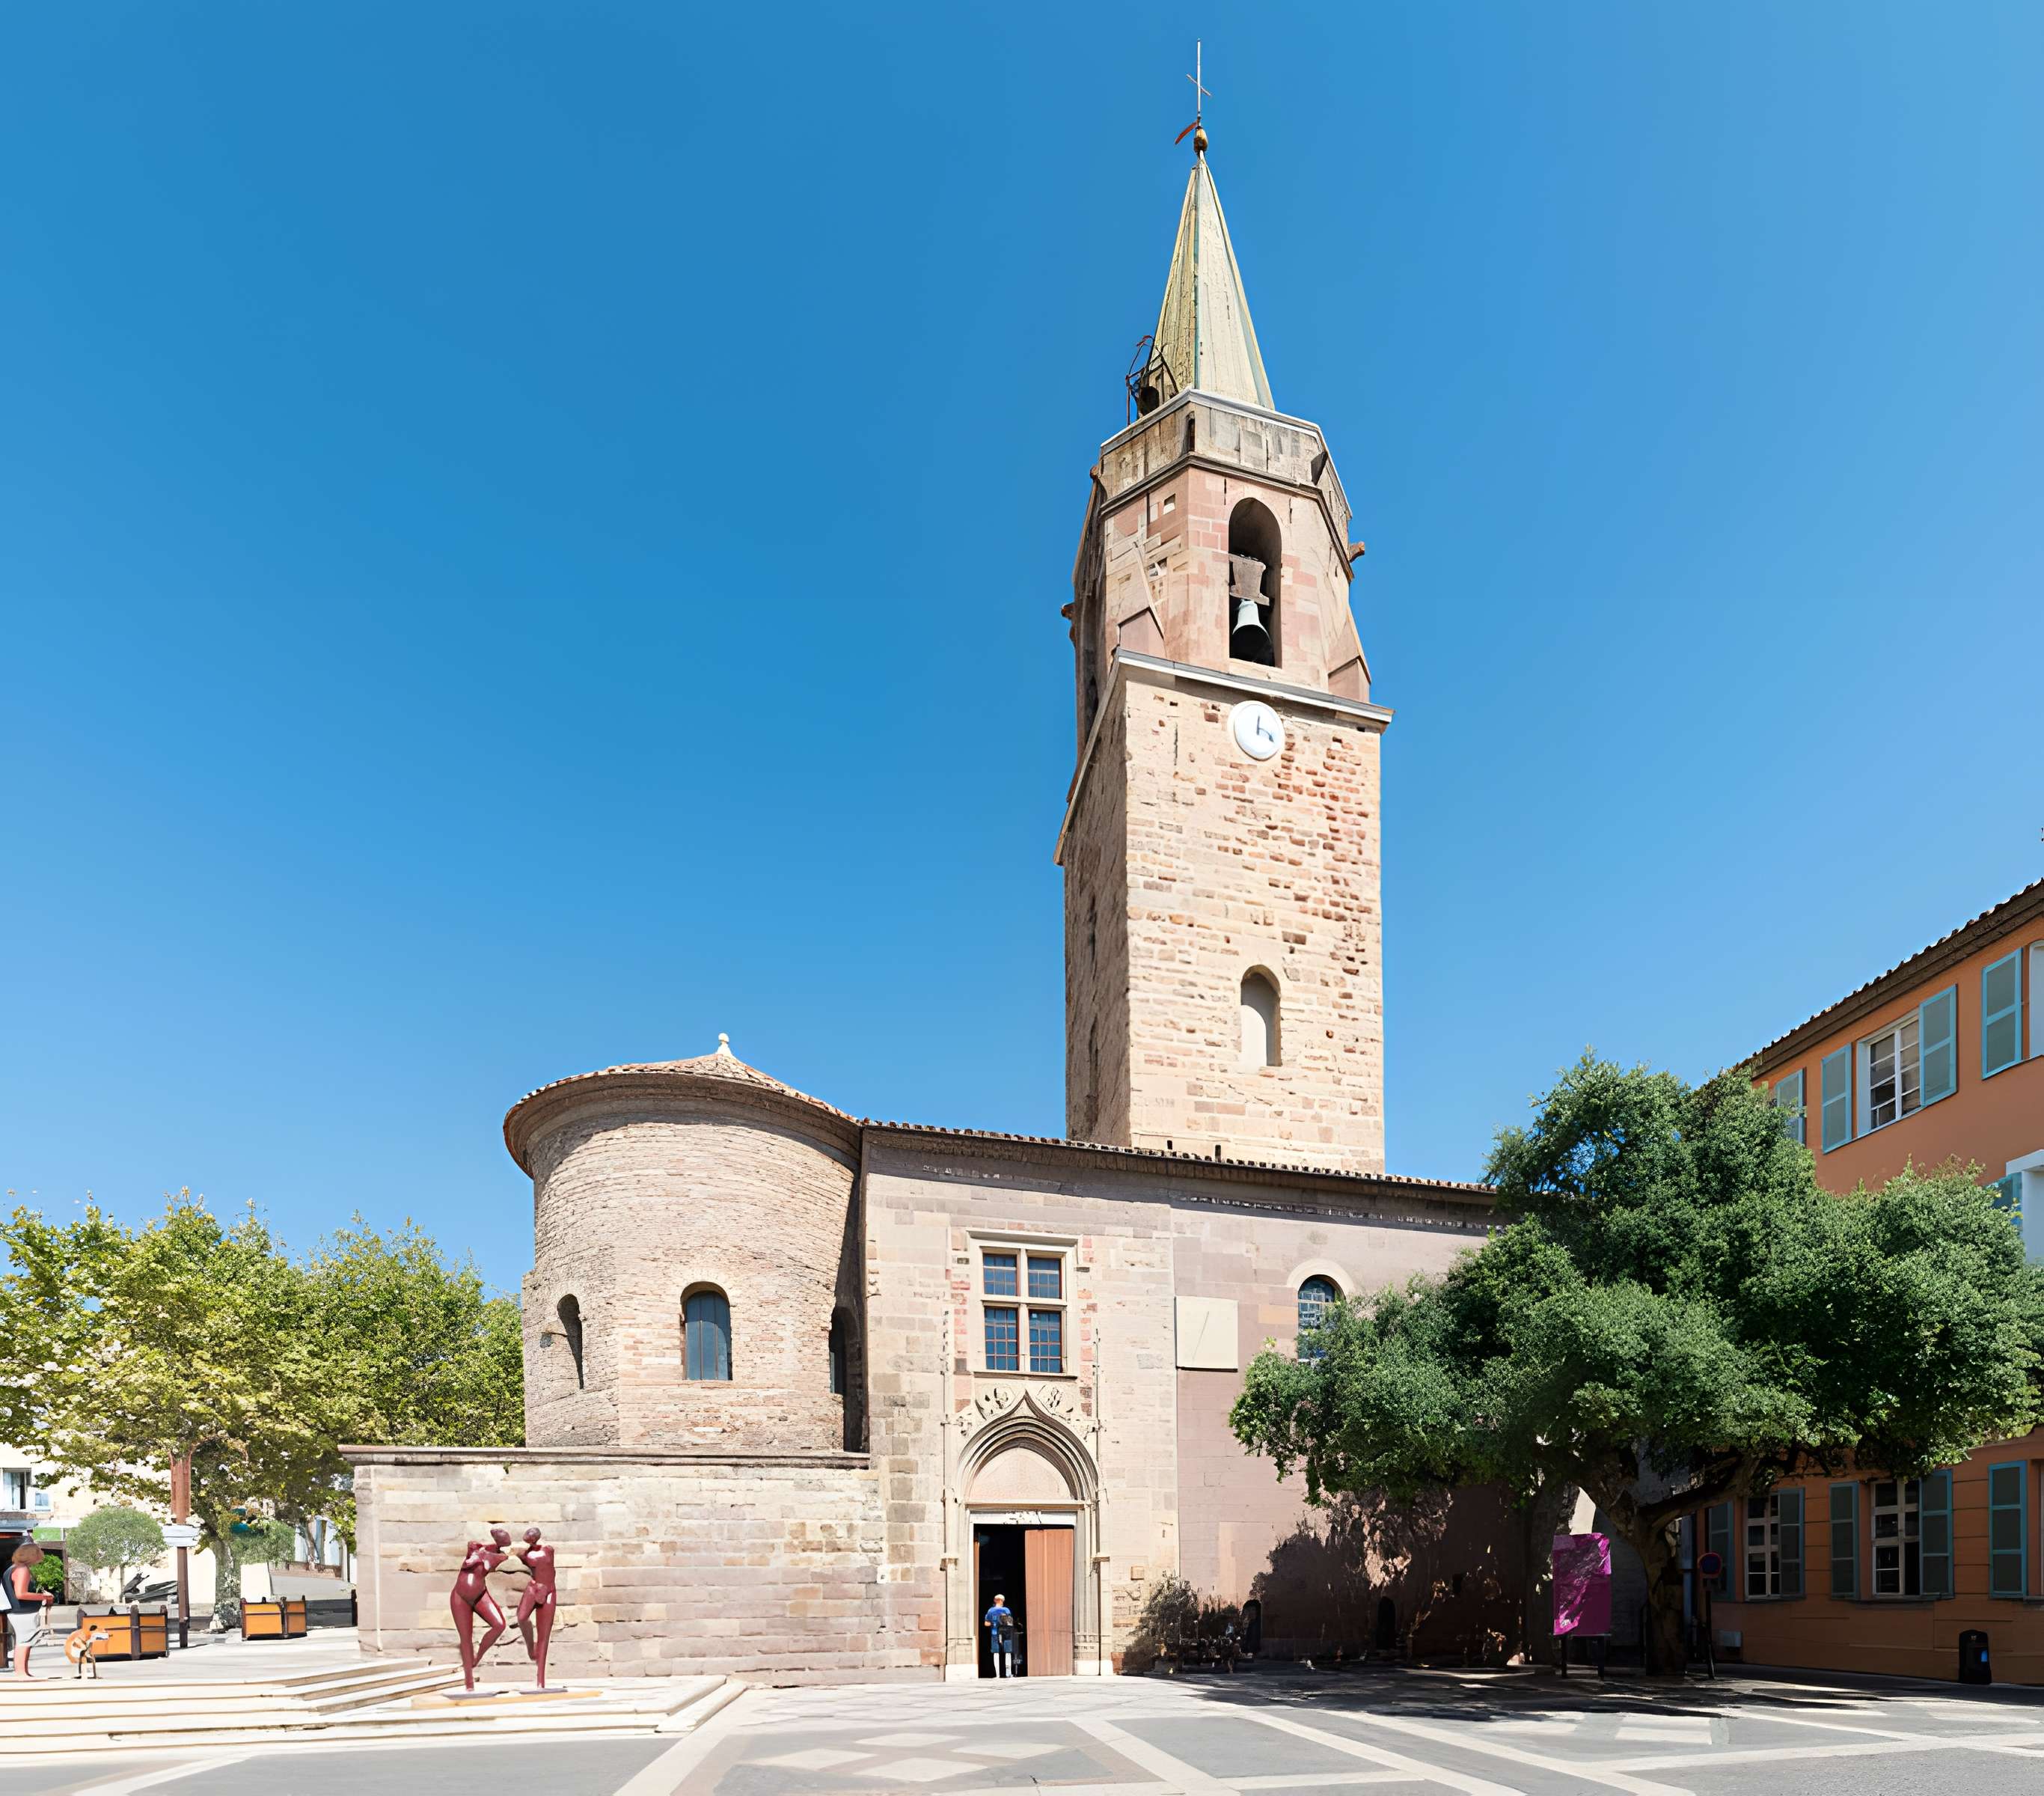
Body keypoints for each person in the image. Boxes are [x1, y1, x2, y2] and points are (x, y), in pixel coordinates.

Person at [5, 1542, 55, 1679]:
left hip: (18, 1611)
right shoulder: (22, 1570)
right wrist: (44, 1596)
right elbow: (21, 1594)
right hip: (23, 1612)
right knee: (24, 1642)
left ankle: (23, 1671)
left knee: (24, 1641)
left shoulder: (13, 1569)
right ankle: (21, 1672)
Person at [984, 1592, 1016, 1679]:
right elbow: (1010, 1622)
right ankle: (1008, 1674)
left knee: (996, 1653)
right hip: (1006, 1634)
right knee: (1008, 1652)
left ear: (995, 1601)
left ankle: (997, 1675)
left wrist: (994, 1624)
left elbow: (986, 1623)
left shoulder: (990, 1611)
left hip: (994, 1633)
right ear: (1001, 1601)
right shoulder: (1006, 1610)